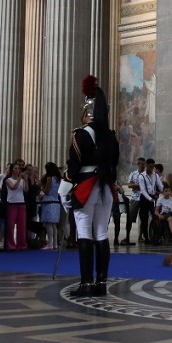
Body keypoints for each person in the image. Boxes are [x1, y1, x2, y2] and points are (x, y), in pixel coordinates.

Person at [64, 75, 121, 297]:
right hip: (106, 187)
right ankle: (101, 282)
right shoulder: (110, 136)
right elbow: (115, 163)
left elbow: (73, 166)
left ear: (87, 112)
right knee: (101, 233)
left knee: (84, 233)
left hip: (86, 187)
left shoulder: (80, 135)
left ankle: (86, 283)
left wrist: (64, 190)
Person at [3, 162, 27, 250]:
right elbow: (13, 187)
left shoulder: (22, 180)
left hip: (21, 202)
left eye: (18, 168)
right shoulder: (8, 180)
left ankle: (21, 244)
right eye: (15, 168)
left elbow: (25, 189)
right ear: (12, 170)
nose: (17, 170)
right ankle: (10, 244)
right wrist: (20, 178)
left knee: (22, 225)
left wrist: (26, 180)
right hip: (12, 203)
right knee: (11, 225)